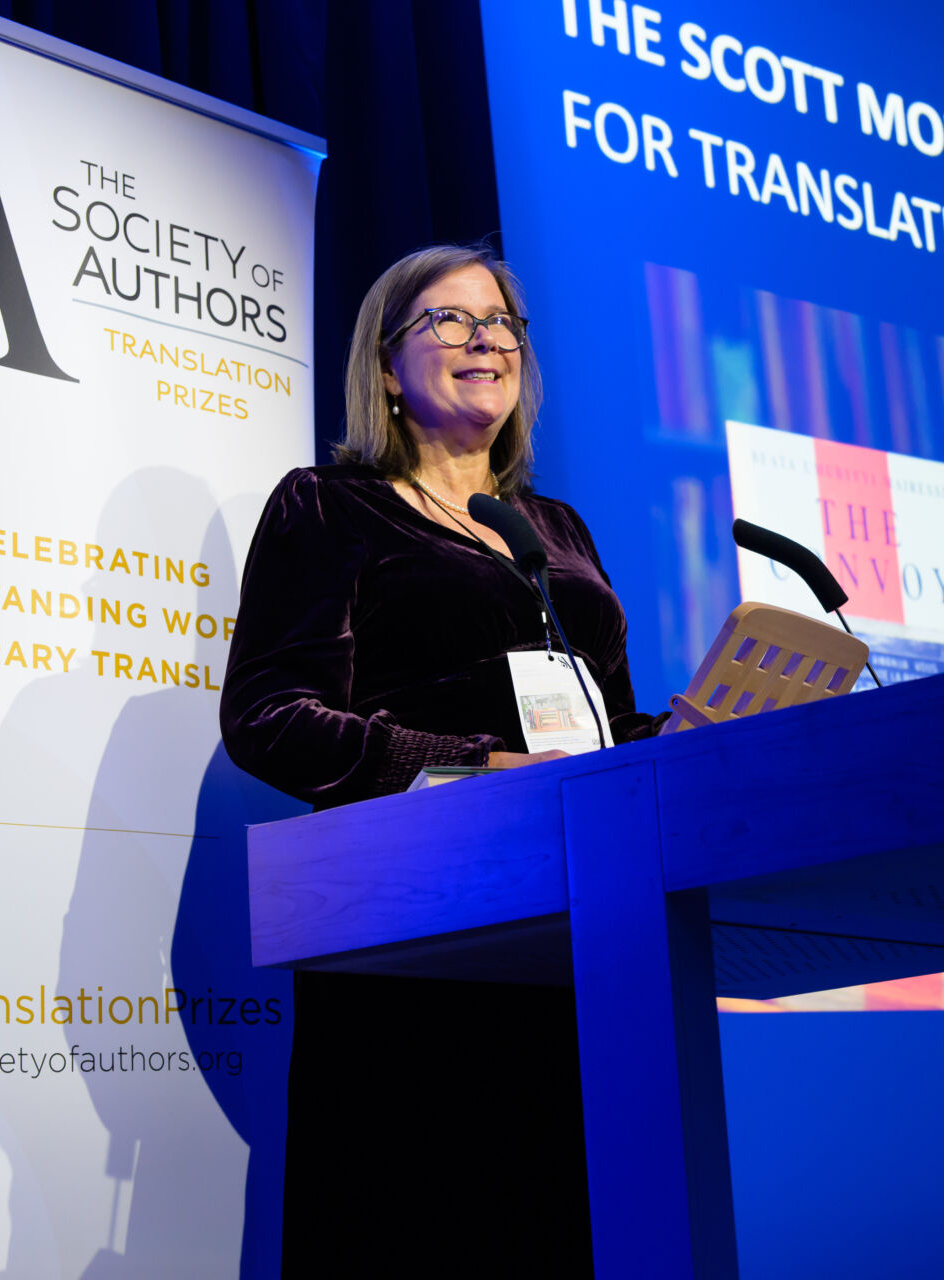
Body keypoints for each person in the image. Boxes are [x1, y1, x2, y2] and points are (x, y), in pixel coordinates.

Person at [221, 244, 656, 1274]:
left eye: (501, 321)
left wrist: (682, 735)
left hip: (581, 915)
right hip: (415, 918)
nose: (485, 339)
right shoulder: (328, 505)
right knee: (422, 1215)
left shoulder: (554, 527)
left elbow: (603, 722)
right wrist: (470, 764)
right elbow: (270, 715)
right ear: (385, 367)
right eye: (450, 321)